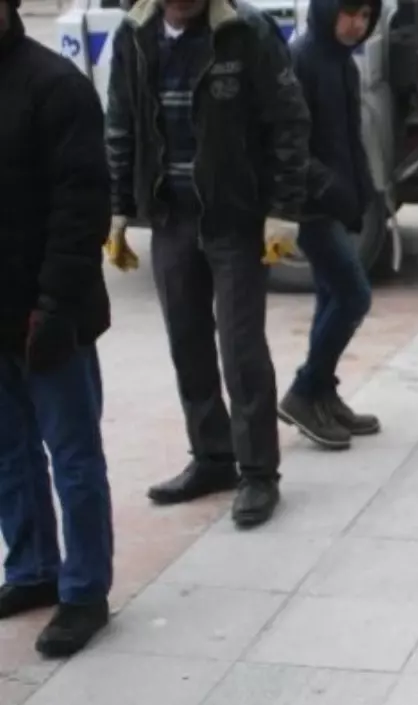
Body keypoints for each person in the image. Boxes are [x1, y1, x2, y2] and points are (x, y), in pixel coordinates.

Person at [105, 0, 311, 528]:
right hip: (172, 219)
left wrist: (283, 209)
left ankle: (259, 473)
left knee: (240, 348)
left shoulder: (246, 33)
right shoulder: (134, 37)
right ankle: (213, 457)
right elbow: (122, 124)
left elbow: (288, 121)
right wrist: (118, 211)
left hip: (234, 220)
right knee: (187, 343)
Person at [0, 0, 116, 657]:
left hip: (52, 318)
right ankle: (33, 570)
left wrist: (52, 306)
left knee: (72, 459)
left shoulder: (56, 87)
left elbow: (81, 207)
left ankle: (83, 590)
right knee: (9, 456)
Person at [278, 0, 382, 451]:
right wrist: (329, 188)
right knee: (354, 294)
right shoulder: (301, 59)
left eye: (365, 15)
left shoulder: (343, 64)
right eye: (348, 13)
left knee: (330, 297)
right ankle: (303, 391)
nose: (356, 24)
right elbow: (288, 142)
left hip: (333, 202)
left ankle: (324, 393)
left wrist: (361, 193)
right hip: (307, 205)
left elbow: (350, 137)